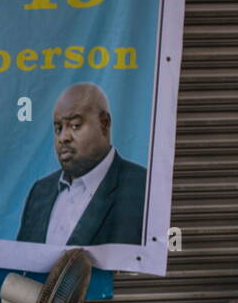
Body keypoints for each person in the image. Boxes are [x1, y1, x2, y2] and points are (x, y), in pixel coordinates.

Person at [16, 82, 147, 247]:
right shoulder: (40, 191)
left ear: (104, 123)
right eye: (58, 128)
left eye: (75, 125)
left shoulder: (143, 188)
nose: (63, 137)